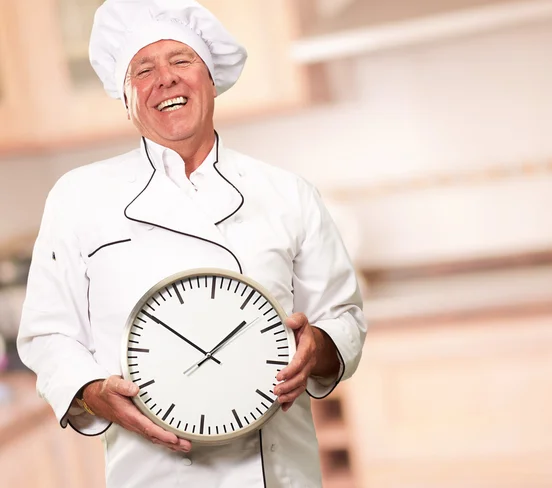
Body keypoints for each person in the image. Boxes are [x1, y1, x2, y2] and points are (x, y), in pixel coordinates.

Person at [17, 0, 367, 487]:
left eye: (181, 61)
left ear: (210, 78)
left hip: (278, 471)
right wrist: (89, 389)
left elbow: (342, 318)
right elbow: (48, 335)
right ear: (126, 98)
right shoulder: (78, 199)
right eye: (143, 69)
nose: (166, 79)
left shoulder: (287, 193)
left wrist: (319, 348)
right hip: (153, 472)